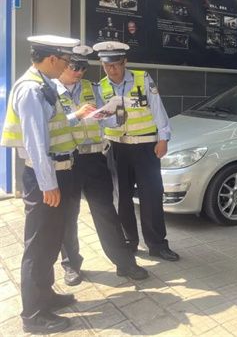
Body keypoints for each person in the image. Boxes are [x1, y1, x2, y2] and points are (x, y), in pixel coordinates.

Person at [0, 35, 90, 333]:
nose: (67, 66)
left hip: (56, 173)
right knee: (38, 245)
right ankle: (34, 314)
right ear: (52, 59)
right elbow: (36, 142)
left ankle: (45, 295)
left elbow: (54, 126)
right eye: (66, 61)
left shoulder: (44, 85)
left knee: (51, 240)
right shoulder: (31, 89)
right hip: (44, 177)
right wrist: (48, 184)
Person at [53, 46, 149, 286]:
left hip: (94, 159)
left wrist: (116, 113)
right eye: (75, 67)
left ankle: (125, 263)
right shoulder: (49, 92)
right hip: (67, 161)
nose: (79, 72)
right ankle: (71, 265)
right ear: (62, 65)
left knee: (106, 212)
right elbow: (49, 127)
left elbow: (107, 120)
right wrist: (76, 115)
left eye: (84, 67)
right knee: (68, 215)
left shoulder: (91, 88)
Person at [92, 41, 179, 261]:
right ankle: (129, 241)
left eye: (116, 64)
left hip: (145, 146)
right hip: (116, 148)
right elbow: (100, 120)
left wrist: (163, 138)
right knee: (121, 197)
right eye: (107, 65)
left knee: (151, 196)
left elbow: (158, 108)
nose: (112, 70)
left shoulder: (143, 78)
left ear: (125, 62)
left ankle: (157, 244)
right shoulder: (100, 87)